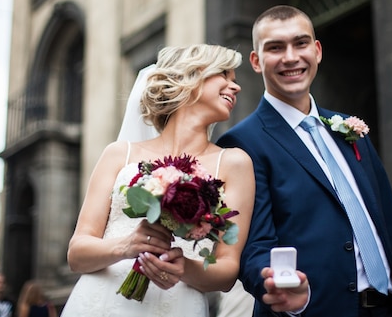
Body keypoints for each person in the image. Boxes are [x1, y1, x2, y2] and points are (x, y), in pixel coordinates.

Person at [217, 5, 392, 317]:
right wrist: (276, 287)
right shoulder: (241, 144)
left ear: (317, 51)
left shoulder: (351, 129)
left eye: (300, 43)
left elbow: (390, 227)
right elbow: (253, 246)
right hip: (314, 310)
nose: (290, 57)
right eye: (275, 47)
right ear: (257, 61)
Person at [60, 44, 255, 317]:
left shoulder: (234, 163)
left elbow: (226, 271)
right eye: (224, 75)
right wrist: (125, 246)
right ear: (189, 76)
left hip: (177, 306)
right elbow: (77, 254)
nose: (236, 88)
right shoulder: (119, 154)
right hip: (100, 303)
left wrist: (184, 267)